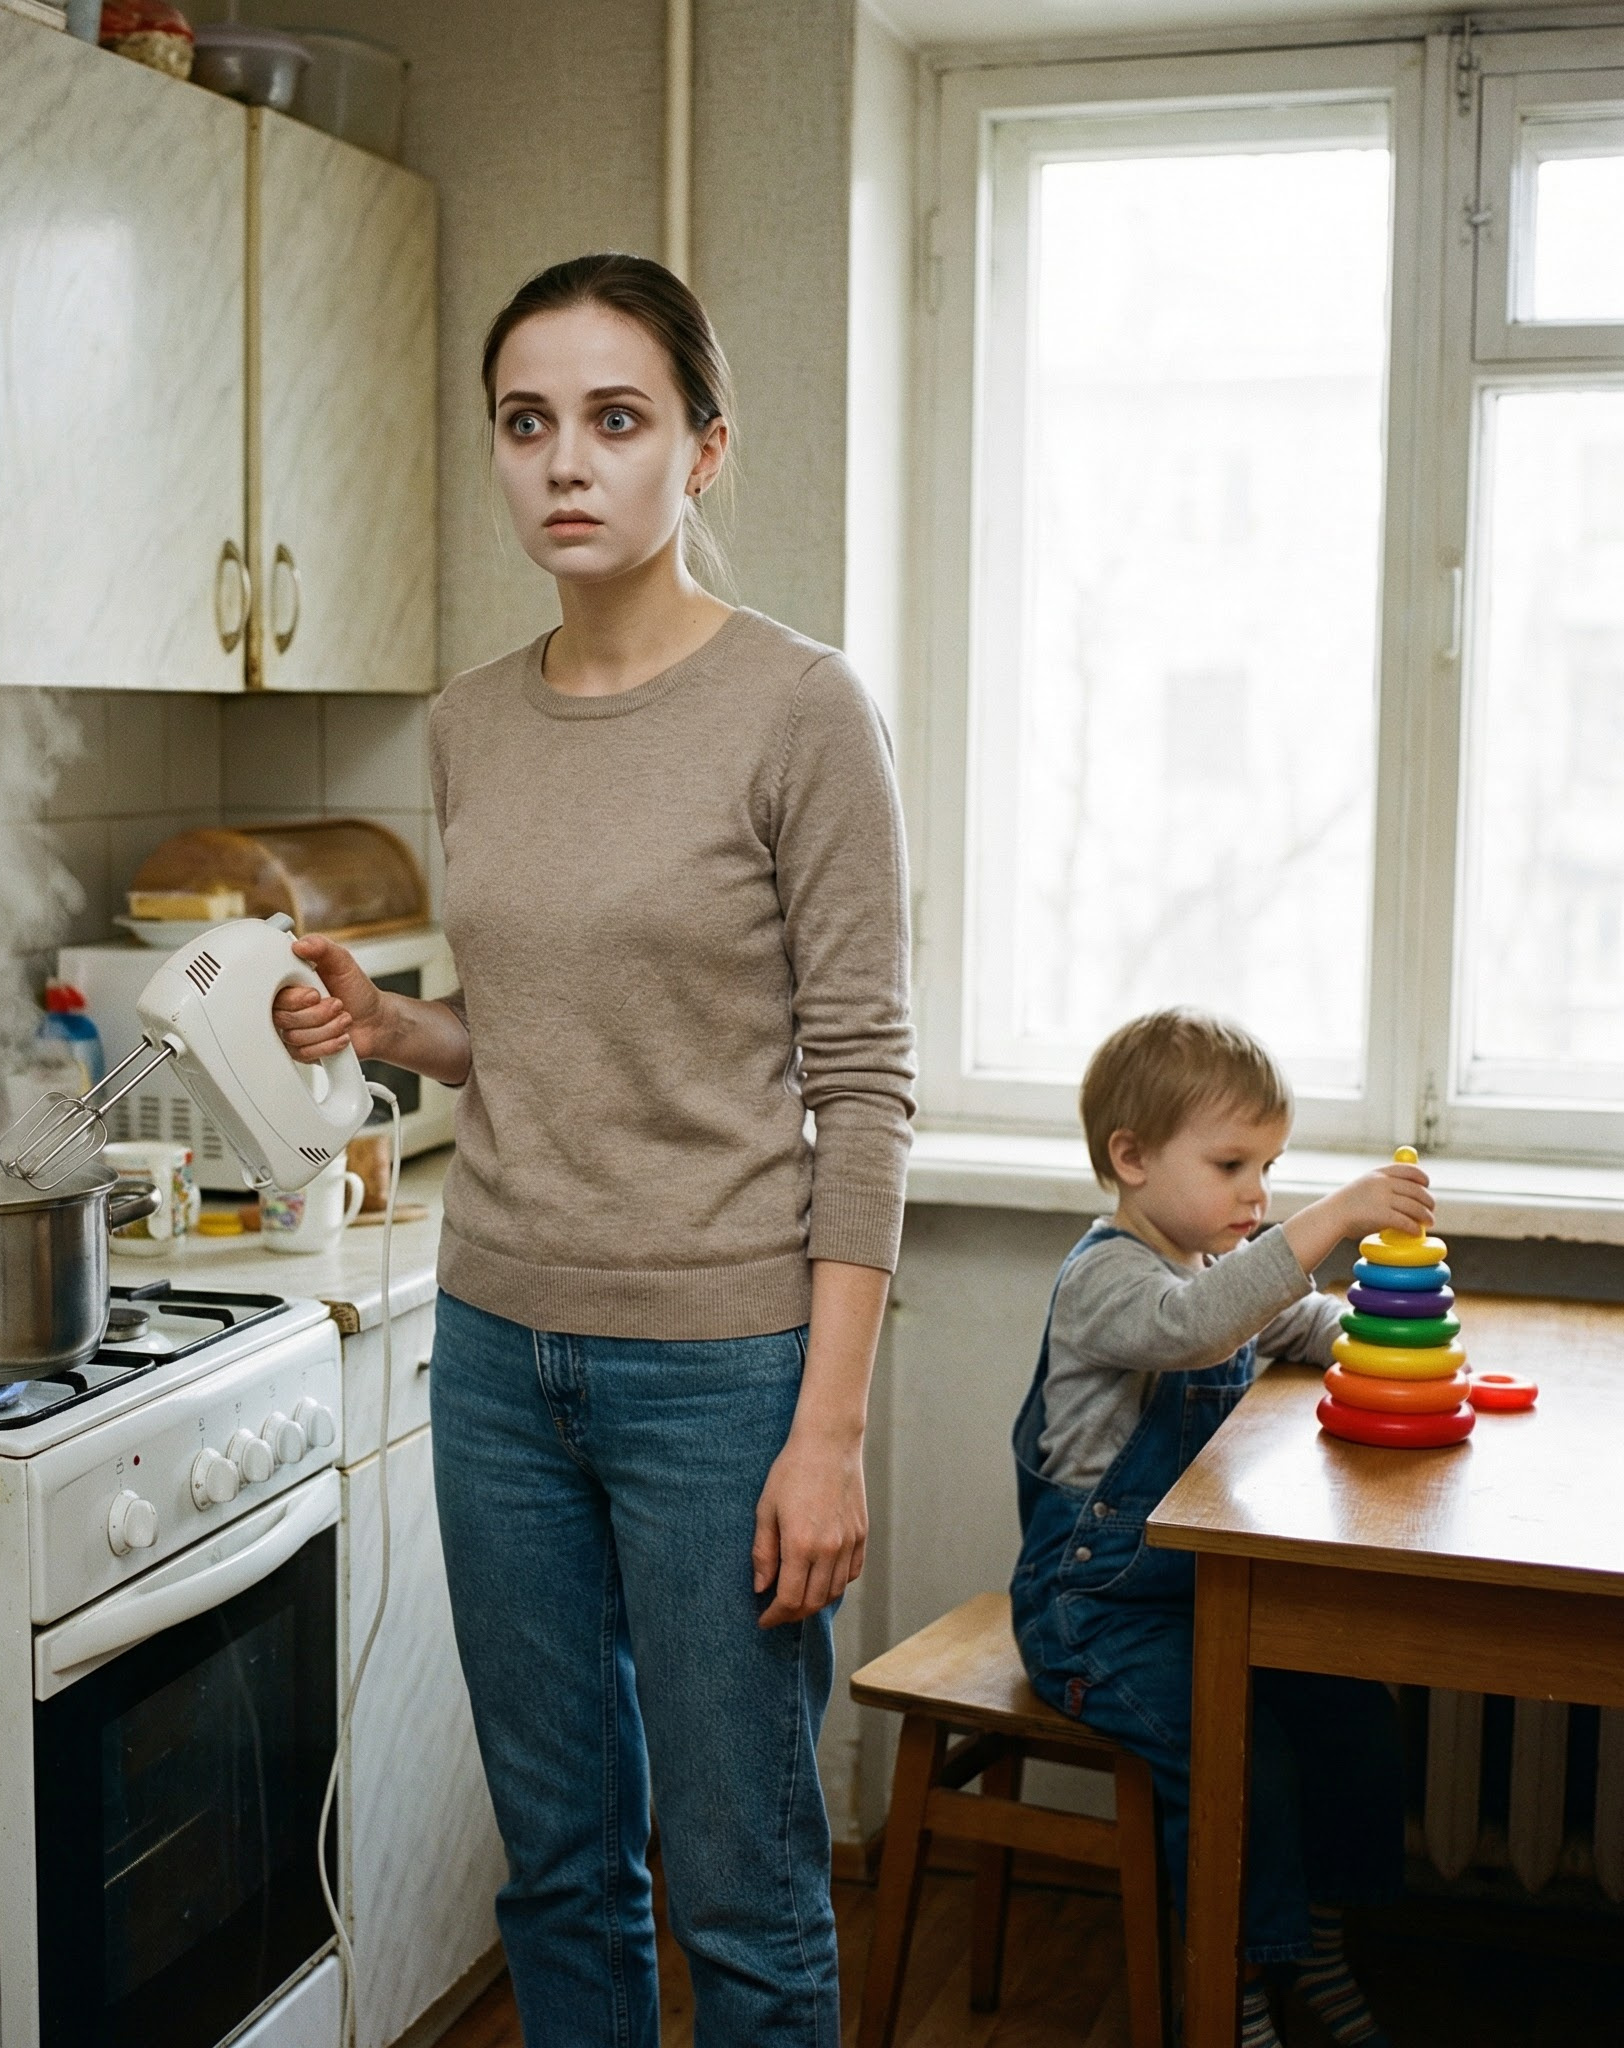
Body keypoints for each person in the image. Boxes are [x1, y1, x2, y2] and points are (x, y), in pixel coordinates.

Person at [272, 252, 916, 2045]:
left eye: (615, 420)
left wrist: (827, 1432)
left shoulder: (800, 710)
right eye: (526, 422)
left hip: (723, 1373)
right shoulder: (468, 721)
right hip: (494, 1357)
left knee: (745, 1891)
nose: (564, 461)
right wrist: (396, 1027)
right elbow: (554, 1036)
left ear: (702, 450)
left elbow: (864, 1087)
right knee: (557, 1868)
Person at [1010, 1008, 1421, 2048]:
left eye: (1268, 1167)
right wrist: (1333, 1215)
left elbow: (1300, 1320)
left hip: (1199, 1598)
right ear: (1132, 1158)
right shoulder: (1108, 1279)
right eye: (1232, 1164)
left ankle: (1315, 1946)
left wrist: (1401, 1336)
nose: (1257, 1194)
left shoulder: (1208, 1266)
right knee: (1246, 1763)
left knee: (1356, 1722)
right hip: (1091, 1616)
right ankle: (1230, 1985)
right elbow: (1194, 1330)